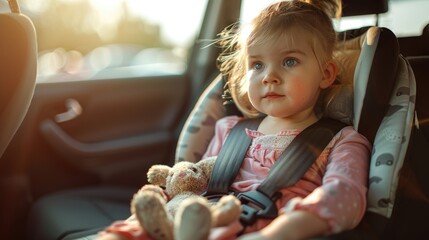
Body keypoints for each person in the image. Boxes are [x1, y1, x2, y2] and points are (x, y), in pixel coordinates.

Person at [98, 0, 371, 239]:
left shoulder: (341, 141)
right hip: (194, 218)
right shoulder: (229, 129)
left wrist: (285, 231)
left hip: (263, 228)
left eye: (289, 61)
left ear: (326, 74)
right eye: (257, 65)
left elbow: (345, 195)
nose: (269, 76)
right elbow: (195, 180)